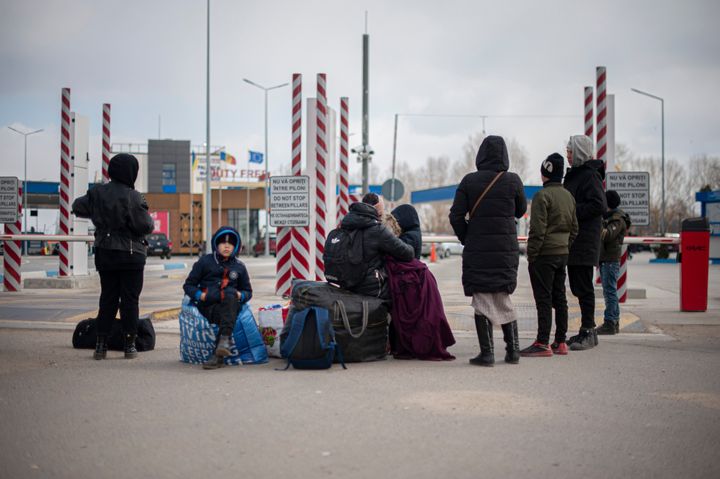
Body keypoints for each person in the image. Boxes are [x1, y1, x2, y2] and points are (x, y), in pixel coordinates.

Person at [449, 135, 527, 367]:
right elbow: (521, 211)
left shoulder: (469, 181)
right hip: (505, 249)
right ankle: (513, 351)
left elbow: (456, 215)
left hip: (478, 249)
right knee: (503, 297)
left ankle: (488, 353)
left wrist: (468, 237)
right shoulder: (513, 180)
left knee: (482, 298)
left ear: (480, 155)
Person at [71, 154, 155, 360]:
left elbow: (77, 207)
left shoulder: (97, 192)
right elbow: (145, 225)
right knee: (129, 301)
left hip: (105, 254)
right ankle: (129, 345)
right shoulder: (133, 196)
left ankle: (101, 345)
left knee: (107, 298)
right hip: (131, 255)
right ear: (131, 172)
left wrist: (99, 214)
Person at [521, 153, 578, 357]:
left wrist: (532, 255)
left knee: (543, 298)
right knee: (560, 297)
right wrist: (565, 246)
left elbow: (538, 230)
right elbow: (575, 228)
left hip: (544, 255)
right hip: (562, 254)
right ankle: (560, 341)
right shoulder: (569, 196)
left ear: (545, 172)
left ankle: (542, 342)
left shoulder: (542, 196)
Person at [385, 204, 455, 360]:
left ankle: (406, 346)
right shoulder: (413, 233)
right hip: (416, 281)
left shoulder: (409, 237)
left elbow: (399, 253)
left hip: (411, 282)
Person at [183, 226, 252, 369]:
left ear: (236, 246)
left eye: (231, 243)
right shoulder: (205, 262)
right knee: (227, 315)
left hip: (231, 304)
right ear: (216, 244)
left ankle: (218, 354)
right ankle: (223, 345)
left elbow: (248, 291)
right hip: (209, 306)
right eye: (223, 243)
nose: (227, 246)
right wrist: (200, 295)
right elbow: (189, 285)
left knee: (230, 295)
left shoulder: (240, 266)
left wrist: (241, 295)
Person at [563, 135, 607, 351]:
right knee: (578, 287)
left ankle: (589, 331)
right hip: (575, 241)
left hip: (584, 240)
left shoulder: (589, 176)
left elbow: (599, 205)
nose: (567, 154)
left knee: (583, 287)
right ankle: (584, 331)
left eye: (570, 151)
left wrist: (572, 212)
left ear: (579, 152)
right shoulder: (576, 175)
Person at [337, 201, 415, 299]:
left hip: (344, 282)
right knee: (403, 287)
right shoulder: (377, 230)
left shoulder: (343, 229)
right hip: (369, 287)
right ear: (376, 214)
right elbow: (407, 253)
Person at [596, 190, 631, 335]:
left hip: (611, 260)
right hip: (606, 259)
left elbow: (608, 235)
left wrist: (596, 223)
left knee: (610, 292)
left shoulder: (617, 219)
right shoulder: (610, 217)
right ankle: (614, 321)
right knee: (609, 291)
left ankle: (610, 322)